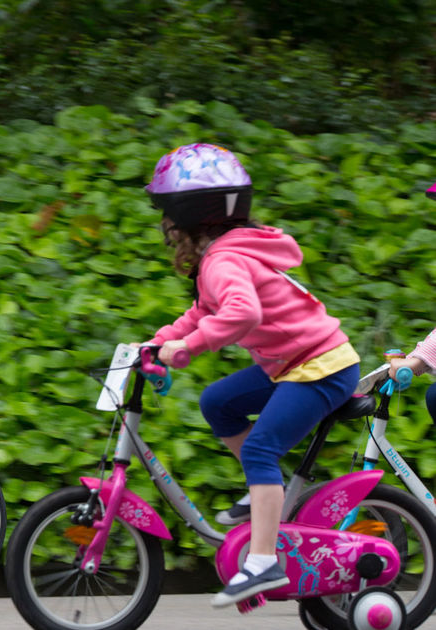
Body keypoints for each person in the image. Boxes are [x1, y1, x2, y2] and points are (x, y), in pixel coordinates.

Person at [141, 143, 360, 608]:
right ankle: (267, 489)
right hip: (295, 362)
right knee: (217, 402)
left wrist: (191, 347)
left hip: (321, 367)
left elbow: (242, 313)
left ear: (186, 215)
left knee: (260, 446)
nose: (164, 226)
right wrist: (159, 342)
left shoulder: (223, 260)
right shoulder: (224, 256)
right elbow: (200, 312)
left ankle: (263, 563)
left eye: (165, 215)